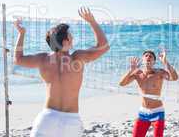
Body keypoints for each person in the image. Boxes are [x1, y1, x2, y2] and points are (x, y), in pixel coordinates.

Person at [13, 7, 109, 137]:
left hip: (48, 118)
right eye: (70, 36)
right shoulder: (77, 58)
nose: (73, 38)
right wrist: (92, 21)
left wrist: (21, 33)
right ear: (65, 41)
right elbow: (104, 46)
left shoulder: (43, 59)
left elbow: (18, 59)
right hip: (71, 121)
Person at [119, 49, 178, 137]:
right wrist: (131, 70)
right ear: (143, 59)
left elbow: (175, 77)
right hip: (143, 112)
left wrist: (165, 62)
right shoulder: (137, 73)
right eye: (146, 55)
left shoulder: (159, 73)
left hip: (157, 112)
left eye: (151, 56)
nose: (148, 57)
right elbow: (122, 83)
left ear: (154, 61)